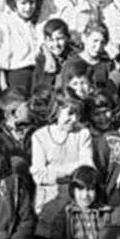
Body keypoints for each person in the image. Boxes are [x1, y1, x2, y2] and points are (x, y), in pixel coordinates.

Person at [30, 89, 93, 222]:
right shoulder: (40, 136)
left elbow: (87, 169)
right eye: (70, 114)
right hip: (48, 201)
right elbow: (39, 176)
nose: (74, 119)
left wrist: (53, 171)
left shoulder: (83, 134)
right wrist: (74, 168)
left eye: (77, 114)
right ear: (57, 110)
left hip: (77, 200)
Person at [0, 0, 44, 97]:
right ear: (14, 4)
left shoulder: (34, 24)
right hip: (17, 75)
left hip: (36, 73)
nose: (28, 7)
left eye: (32, 3)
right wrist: (3, 83)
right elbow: (0, 57)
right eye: (23, 3)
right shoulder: (5, 23)